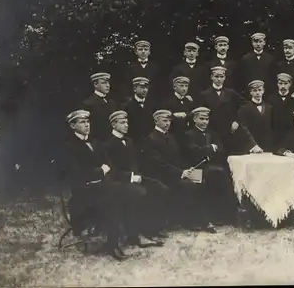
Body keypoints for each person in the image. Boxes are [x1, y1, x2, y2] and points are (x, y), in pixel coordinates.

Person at [62, 110, 133, 261]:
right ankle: (113, 244)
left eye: (87, 121)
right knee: (111, 201)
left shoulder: (95, 142)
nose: (87, 124)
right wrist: (101, 170)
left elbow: (109, 163)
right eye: (81, 122)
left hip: (102, 186)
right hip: (83, 193)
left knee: (127, 191)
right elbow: (78, 173)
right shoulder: (69, 147)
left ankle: (131, 234)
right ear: (72, 125)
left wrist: (103, 171)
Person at [140, 109, 216, 233]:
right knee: (188, 186)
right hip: (162, 175)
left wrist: (187, 169)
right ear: (156, 121)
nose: (167, 123)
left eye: (169, 121)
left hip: (175, 172)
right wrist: (180, 172)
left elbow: (178, 157)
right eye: (164, 121)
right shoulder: (151, 139)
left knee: (200, 179)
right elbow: (159, 164)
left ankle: (202, 219)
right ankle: (191, 221)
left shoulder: (170, 136)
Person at [103, 110, 167, 247]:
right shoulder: (108, 144)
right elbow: (112, 169)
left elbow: (135, 162)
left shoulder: (129, 141)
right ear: (113, 125)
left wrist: (137, 175)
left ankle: (152, 228)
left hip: (135, 177)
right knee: (139, 193)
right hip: (119, 181)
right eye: (122, 123)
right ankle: (135, 235)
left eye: (127, 122)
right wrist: (131, 177)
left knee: (158, 186)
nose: (126, 125)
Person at [183, 107, 236, 226]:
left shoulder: (212, 133)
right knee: (209, 179)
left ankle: (224, 216)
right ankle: (206, 218)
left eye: (206, 119)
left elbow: (221, 150)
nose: (205, 122)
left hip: (213, 167)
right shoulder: (188, 135)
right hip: (196, 169)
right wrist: (210, 148)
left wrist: (207, 150)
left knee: (224, 178)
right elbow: (193, 152)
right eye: (201, 119)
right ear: (195, 119)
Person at [199, 66, 249, 155]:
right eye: (216, 76)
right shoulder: (204, 94)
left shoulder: (231, 93)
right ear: (211, 77)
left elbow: (245, 107)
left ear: (225, 78)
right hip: (212, 131)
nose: (219, 79)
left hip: (229, 131)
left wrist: (237, 121)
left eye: (221, 77)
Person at [237, 80, 274, 152]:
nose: (257, 93)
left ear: (263, 91)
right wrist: (253, 145)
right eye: (254, 90)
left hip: (268, 147)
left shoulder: (270, 108)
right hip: (251, 147)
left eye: (259, 90)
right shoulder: (244, 109)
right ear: (250, 92)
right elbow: (244, 129)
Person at [82, 73, 117, 142]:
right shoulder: (88, 103)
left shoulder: (112, 103)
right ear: (95, 84)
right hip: (98, 142)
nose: (107, 85)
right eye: (104, 83)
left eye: (108, 83)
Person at [267, 73, 294, 147]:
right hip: (275, 136)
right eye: (280, 83)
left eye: (285, 84)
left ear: (290, 84)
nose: (283, 86)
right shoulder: (270, 99)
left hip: (291, 135)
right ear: (277, 84)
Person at [121, 77, 157, 144]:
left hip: (149, 142)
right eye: (142, 87)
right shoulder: (126, 106)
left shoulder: (152, 105)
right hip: (133, 142)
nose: (145, 90)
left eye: (146, 88)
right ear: (135, 89)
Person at [161, 76, 196, 141]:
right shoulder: (168, 101)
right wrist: (174, 115)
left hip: (188, 134)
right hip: (173, 134)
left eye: (186, 86)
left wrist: (185, 114)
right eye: (181, 86)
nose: (184, 89)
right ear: (174, 87)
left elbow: (192, 115)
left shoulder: (189, 101)